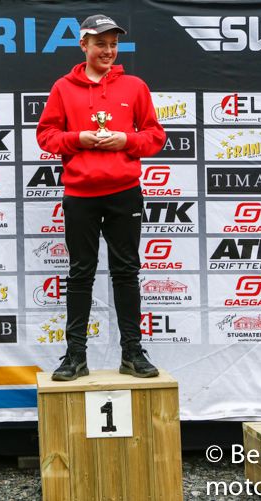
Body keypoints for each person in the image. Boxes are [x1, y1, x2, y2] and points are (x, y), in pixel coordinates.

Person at [37, 15, 166, 381]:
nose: (108, 51)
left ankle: (132, 354)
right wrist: (78, 139)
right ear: (84, 45)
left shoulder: (135, 86)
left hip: (124, 193)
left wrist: (127, 140)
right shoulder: (63, 87)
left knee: (126, 272)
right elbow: (46, 135)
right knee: (81, 274)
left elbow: (155, 136)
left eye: (113, 44)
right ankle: (75, 356)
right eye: (100, 44)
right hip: (80, 194)